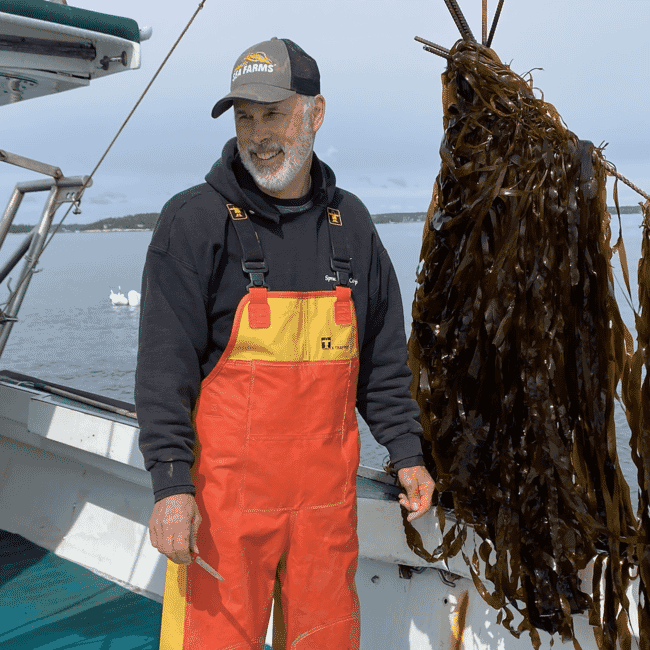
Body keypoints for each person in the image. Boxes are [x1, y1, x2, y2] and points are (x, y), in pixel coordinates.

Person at [136, 37, 435, 650]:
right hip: (223, 515)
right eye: (246, 116)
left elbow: (382, 360)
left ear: (316, 113)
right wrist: (171, 486)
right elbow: (162, 372)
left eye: (274, 113)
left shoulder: (351, 225)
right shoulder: (192, 222)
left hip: (324, 512)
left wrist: (407, 451)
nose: (259, 133)